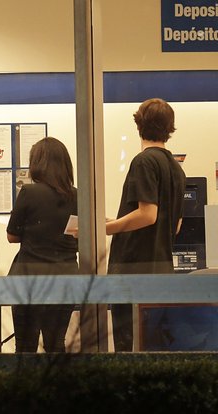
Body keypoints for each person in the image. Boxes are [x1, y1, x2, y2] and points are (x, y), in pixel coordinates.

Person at [106, 98, 186, 352]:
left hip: (134, 272)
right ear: (170, 128)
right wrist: (114, 222)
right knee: (154, 347)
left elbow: (147, 214)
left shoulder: (144, 162)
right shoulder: (176, 168)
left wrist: (103, 229)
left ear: (138, 124)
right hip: (161, 271)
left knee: (127, 351)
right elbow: (175, 225)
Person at [7, 137, 78, 353]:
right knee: (56, 344)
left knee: (26, 346)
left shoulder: (29, 192)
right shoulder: (77, 195)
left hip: (30, 278)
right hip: (65, 278)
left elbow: (12, 236)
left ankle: (28, 387)